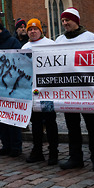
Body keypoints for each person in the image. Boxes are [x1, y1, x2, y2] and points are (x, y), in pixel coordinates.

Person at [54, 8, 94, 172]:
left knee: (92, 126)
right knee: (72, 127)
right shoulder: (59, 40)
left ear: (76, 20)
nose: (65, 23)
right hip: (68, 92)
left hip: (87, 92)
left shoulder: (90, 37)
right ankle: (75, 157)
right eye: (62, 21)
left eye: (67, 20)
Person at [21, 19, 58, 165]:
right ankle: (37, 151)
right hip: (32, 93)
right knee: (35, 123)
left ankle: (53, 152)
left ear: (40, 30)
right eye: (30, 29)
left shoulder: (51, 44)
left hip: (48, 92)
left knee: (50, 122)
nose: (32, 32)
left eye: (35, 29)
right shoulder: (25, 47)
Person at [0, 20, 23, 157]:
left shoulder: (13, 42)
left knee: (12, 118)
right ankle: (5, 145)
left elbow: (20, 61)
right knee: (0, 118)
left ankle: (16, 146)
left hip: (11, 87)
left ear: (2, 30)